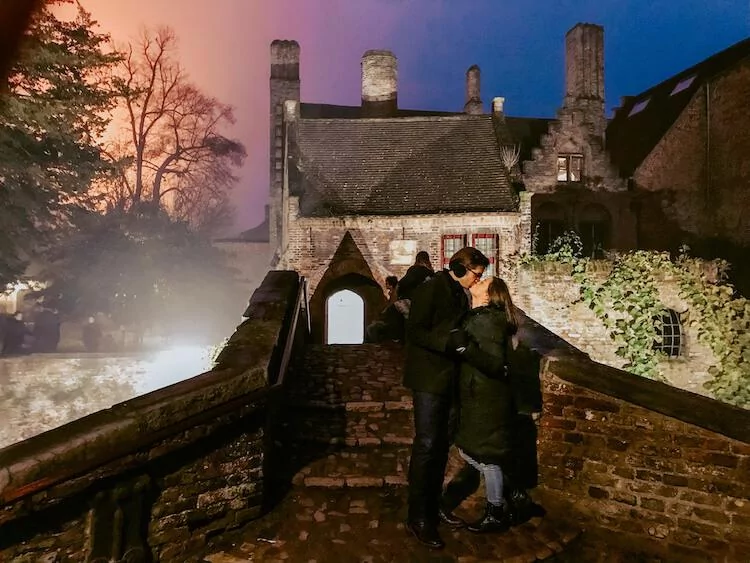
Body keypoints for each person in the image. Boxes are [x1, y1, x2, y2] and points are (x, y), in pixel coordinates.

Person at [441, 277, 545, 532]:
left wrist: (465, 349)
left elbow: (496, 363)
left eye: (482, 282)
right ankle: (514, 493)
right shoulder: (483, 317)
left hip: (486, 398)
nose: (475, 281)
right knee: (471, 450)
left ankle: (496, 511)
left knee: (486, 457)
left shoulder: (486, 320)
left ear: (488, 296)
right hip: (480, 396)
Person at [404, 246, 489, 549]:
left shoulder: (460, 294)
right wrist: (446, 342)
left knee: (441, 445)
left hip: (449, 379)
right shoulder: (431, 290)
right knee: (427, 445)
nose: (477, 281)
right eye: (475, 275)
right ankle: (418, 516)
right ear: (459, 269)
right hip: (428, 379)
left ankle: (433, 506)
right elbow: (413, 331)